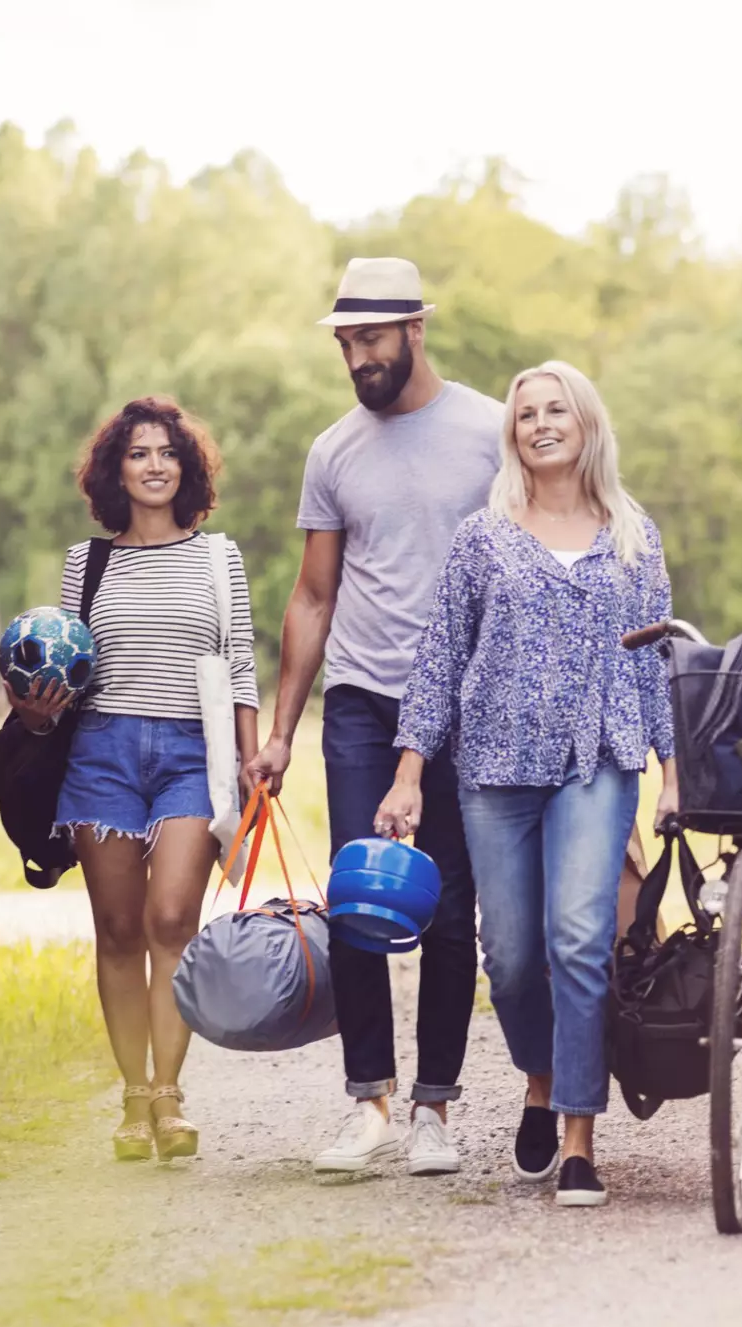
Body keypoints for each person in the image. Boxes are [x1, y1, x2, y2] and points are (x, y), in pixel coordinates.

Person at [377, 361, 676, 1208]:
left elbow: (656, 661)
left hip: (597, 759)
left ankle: (579, 1135)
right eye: (525, 414)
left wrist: (672, 770)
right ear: (511, 435)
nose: (540, 423)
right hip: (496, 766)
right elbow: (440, 658)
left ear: (585, 423)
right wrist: (408, 774)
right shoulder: (483, 536)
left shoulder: (631, 532)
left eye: (555, 410)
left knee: (576, 940)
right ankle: (540, 1080)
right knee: (509, 959)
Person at [243, 258, 501, 1177]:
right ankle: (368, 1105)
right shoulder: (333, 450)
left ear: (415, 331)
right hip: (360, 696)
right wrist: (280, 729)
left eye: (372, 340)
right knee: (359, 896)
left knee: (445, 904)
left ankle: (435, 1108)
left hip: (469, 703)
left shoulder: (489, 432)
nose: (357, 358)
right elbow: (312, 597)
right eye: (346, 343)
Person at [9, 397, 258, 1163]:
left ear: (187, 468)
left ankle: (171, 1097)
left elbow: (241, 666)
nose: (154, 465)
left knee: (172, 919)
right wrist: (38, 712)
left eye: (167, 453)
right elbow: (69, 666)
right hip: (102, 754)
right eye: (138, 454)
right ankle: (132, 1100)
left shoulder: (220, 558)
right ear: (115, 470)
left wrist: (251, 771)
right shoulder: (88, 563)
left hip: (192, 753)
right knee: (117, 931)